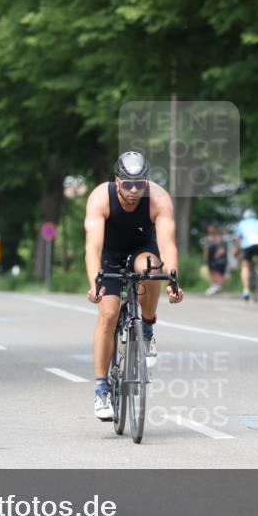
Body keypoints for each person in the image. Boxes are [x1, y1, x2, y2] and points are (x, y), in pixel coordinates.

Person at [85, 151, 184, 421]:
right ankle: (102, 389)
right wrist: (95, 283)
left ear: (146, 182)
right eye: (127, 184)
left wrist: (173, 280)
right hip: (109, 254)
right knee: (108, 314)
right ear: (117, 180)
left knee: (151, 270)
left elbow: (168, 245)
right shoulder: (100, 197)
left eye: (139, 184)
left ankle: (147, 328)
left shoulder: (159, 199)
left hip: (142, 250)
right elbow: (92, 248)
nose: (133, 191)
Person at [234, 208, 258, 301]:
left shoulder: (242, 224)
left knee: (245, 266)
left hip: (247, 244)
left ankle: (246, 290)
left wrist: (236, 250)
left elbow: (239, 239)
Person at [203, 225, 228, 296]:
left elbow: (220, 248)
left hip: (215, 259)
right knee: (212, 272)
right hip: (210, 258)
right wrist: (205, 256)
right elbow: (206, 248)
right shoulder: (207, 239)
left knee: (217, 272)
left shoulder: (217, 239)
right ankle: (214, 285)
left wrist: (216, 255)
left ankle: (217, 286)